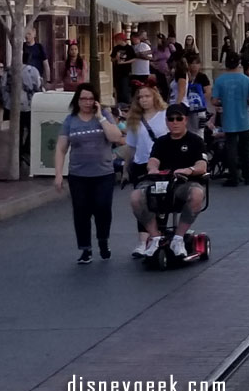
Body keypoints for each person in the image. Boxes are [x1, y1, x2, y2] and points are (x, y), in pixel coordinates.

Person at [54, 83, 124, 264]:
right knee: (81, 212)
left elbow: (116, 137)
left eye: (90, 99)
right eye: (83, 98)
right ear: (77, 100)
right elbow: (61, 148)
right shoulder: (71, 121)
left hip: (103, 173)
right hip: (79, 175)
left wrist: (100, 116)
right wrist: (58, 174)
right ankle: (85, 249)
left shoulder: (105, 116)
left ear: (96, 100)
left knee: (102, 208)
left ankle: (103, 240)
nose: (87, 102)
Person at [129, 103, 208, 259]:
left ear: (185, 120)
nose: (175, 122)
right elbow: (153, 160)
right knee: (136, 197)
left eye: (179, 118)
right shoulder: (161, 142)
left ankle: (178, 238)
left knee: (197, 194)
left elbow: (202, 165)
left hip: (184, 183)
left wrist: (188, 170)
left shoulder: (196, 141)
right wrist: (153, 169)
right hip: (160, 181)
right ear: (166, 121)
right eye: (171, 119)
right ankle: (155, 237)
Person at [123, 82, 168, 257]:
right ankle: (143, 242)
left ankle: (158, 236)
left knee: (161, 202)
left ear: (154, 97)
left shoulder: (165, 115)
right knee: (142, 202)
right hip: (142, 164)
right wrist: (126, 168)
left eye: (147, 96)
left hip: (161, 164)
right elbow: (131, 147)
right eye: (140, 97)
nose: (143, 100)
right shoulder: (135, 120)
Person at [210, 52, 249, 187]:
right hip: (244, 120)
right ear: (239, 64)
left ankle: (233, 177)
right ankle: (248, 175)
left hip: (229, 120)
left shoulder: (220, 80)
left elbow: (214, 100)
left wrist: (222, 102)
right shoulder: (246, 79)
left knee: (231, 148)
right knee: (246, 149)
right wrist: (245, 101)